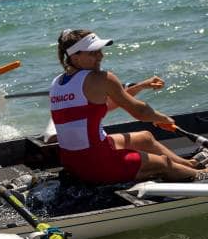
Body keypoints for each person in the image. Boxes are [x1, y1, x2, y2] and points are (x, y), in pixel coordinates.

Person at [51, 29, 204, 184]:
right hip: (99, 165)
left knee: (145, 138)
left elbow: (106, 105)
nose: (100, 56)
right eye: (93, 53)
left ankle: (189, 165)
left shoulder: (57, 83)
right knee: (163, 163)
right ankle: (200, 174)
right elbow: (141, 112)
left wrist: (140, 86)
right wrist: (163, 118)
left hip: (73, 163)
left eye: (100, 51)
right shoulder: (101, 78)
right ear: (75, 57)